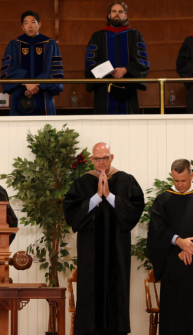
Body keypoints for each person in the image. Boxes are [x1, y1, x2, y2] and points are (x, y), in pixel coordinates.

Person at [63, 142, 144, 335]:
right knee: (91, 298)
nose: (101, 162)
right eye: (97, 158)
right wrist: (97, 197)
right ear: (91, 159)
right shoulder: (83, 183)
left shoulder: (126, 180)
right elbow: (72, 216)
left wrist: (109, 195)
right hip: (90, 254)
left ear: (111, 157)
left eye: (105, 158)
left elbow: (135, 210)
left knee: (117, 295)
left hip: (117, 251)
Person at [147, 159, 193, 335]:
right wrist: (178, 241)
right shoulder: (163, 199)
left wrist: (191, 245)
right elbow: (157, 229)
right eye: (176, 181)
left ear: (192, 175)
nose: (179, 185)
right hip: (173, 266)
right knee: (175, 316)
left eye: (183, 180)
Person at [84, 2, 149, 114]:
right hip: (104, 89)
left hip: (128, 88)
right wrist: (109, 69)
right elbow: (90, 61)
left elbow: (142, 60)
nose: (117, 14)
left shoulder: (135, 35)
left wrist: (126, 69)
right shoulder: (98, 36)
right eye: (114, 11)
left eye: (120, 11)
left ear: (125, 16)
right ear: (109, 15)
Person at [1, 11, 64, 116]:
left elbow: (54, 71)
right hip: (19, 95)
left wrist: (37, 85)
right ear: (22, 27)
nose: (29, 26)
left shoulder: (50, 44)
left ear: (39, 24)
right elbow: (8, 70)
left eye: (33, 22)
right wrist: (26, 83)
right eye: (26, 23)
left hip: (43, 95)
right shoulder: (14, 44)